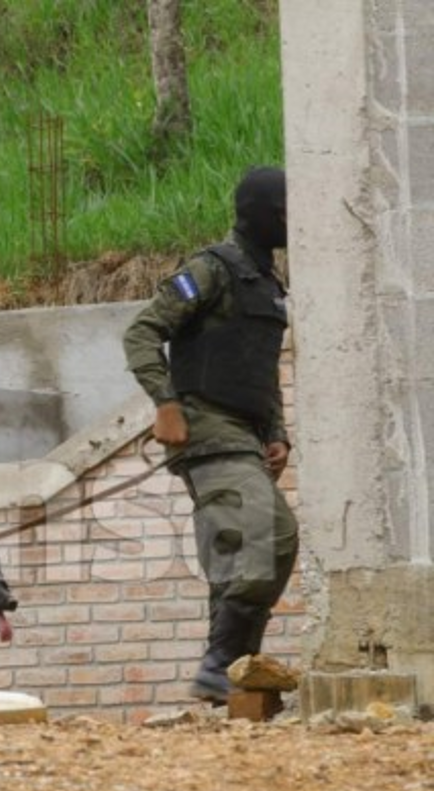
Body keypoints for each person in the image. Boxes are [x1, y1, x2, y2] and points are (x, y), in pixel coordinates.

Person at [121, 166, 299, 704]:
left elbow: (260, 369)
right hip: (207, 430)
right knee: (274, 534)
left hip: (243, 433)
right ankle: (222, 665)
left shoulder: (267, 285)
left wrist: (276, 432)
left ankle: (238, 687)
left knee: (235, 560)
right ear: (265, 213)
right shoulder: (211, 268)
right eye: (287, 211)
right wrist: (167, 404)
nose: (294, 222)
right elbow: (142, 332)